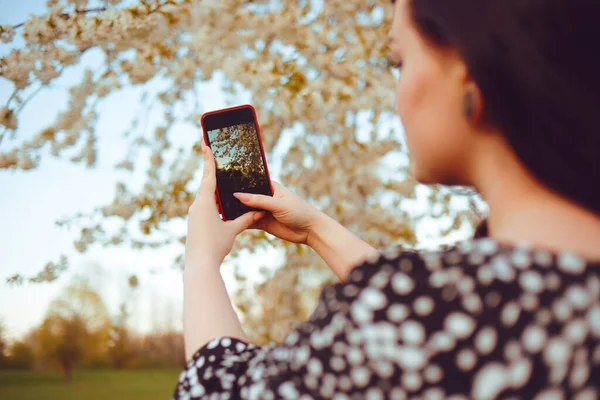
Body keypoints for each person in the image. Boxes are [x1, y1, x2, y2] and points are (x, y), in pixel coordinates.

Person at [173, 0, 600, 398]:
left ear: (471, 70)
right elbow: (441, 313)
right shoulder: (523, 300)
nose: (398, 94)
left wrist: (200, 260)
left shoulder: (415, 316)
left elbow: (219, 386)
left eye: (400, 61)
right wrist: (316, 230)